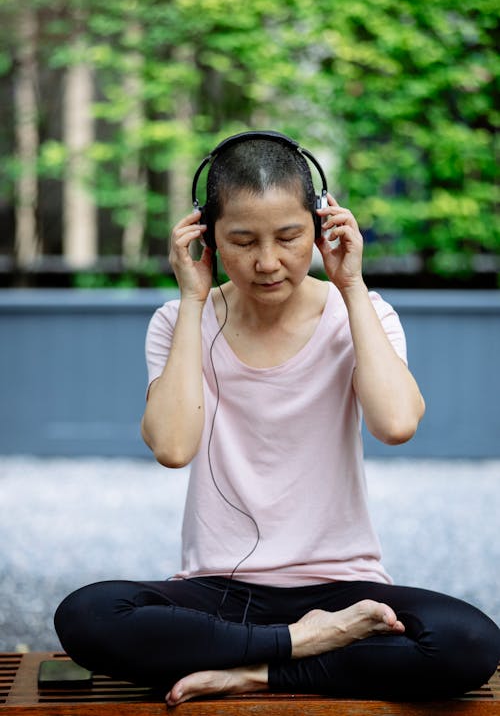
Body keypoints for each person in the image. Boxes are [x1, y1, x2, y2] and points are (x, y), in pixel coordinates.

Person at [55, 133, 500, 706]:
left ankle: (255, 668)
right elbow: (171, 445)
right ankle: (300, 644)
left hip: (344, 589)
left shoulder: (360, 312)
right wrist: (192, 300)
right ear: (206, 236)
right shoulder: (178, 321)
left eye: (289, 237)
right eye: (242, 241)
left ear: (320, 227)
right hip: (219, 589)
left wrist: (353, 286)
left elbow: (395, 424)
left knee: (468, 642)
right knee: (87, 615)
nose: (268, 262)